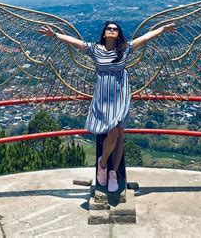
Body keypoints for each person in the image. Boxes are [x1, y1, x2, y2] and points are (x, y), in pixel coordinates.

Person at [40, 20, 176, 192]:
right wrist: (54, 35)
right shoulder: (94, 49)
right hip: (103, 97)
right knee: (112, 132)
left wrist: (163, 29)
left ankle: (112, 173)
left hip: (120, 95)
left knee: (119, 133)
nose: (112, 30)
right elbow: (73, 42)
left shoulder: (125, 49)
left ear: (118, 34)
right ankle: (102, 164)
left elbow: (145, 37)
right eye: (109, 29)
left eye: (115, 29)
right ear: (104, 33)